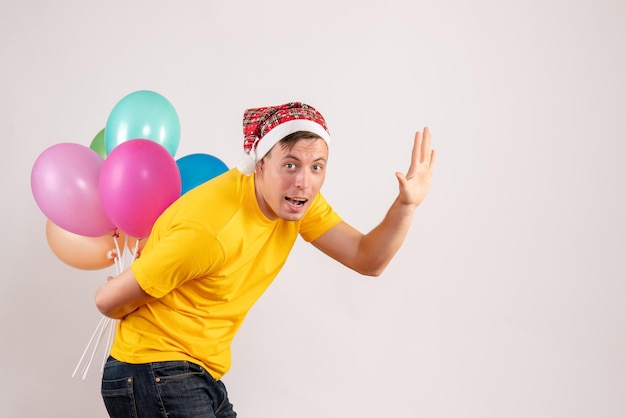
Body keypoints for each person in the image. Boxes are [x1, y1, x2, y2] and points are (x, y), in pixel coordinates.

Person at [95, 102, 436, 417]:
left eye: (316, 167)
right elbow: (107, 301)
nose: (304, 182)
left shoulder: (299, 202)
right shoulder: (211, 229)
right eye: (290, 165)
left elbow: (367, 259)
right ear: (260, 164)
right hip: (151, 368)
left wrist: (406, 206)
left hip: (196, 371)